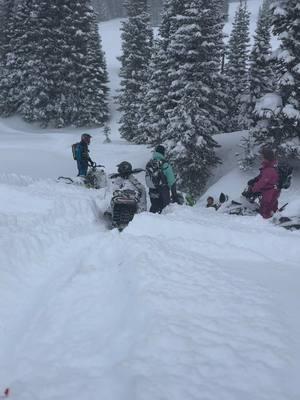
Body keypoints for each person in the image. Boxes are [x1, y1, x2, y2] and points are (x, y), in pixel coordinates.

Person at [246, 147, 280, 219]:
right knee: (272, 208)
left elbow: (262, 182)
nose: (261, 157)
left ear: (266, 157)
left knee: (264, 212)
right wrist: (255, 179)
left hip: (269, 192)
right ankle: (275, 220)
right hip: (272, 191)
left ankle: (268, 227)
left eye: (262, 156)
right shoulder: (269, 166)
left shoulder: (269, 169)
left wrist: (252, 190)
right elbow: (262, 176)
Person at [147, 145, 178, 213]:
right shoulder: (165, 164)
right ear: (163, 153)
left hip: (152, 190)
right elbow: (171, 181)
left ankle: (149, 221)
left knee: (154, 206)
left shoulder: (150, 163)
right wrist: (174, 196)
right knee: (164, 209)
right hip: (163, 190)